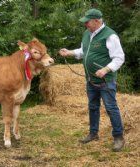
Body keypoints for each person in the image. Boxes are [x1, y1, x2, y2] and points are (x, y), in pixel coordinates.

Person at [58, 8, 125, 152]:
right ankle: (93, 133)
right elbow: (84, 52)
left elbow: (119, 58)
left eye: (87, 22)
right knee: (93, 107)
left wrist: (106, 69)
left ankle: (118, 137)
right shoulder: (87, 34)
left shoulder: (110, 36)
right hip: (91, 80)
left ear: (96, 21)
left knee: (111, 108)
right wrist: (69, 52)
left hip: (106, 81)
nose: (85, 24)